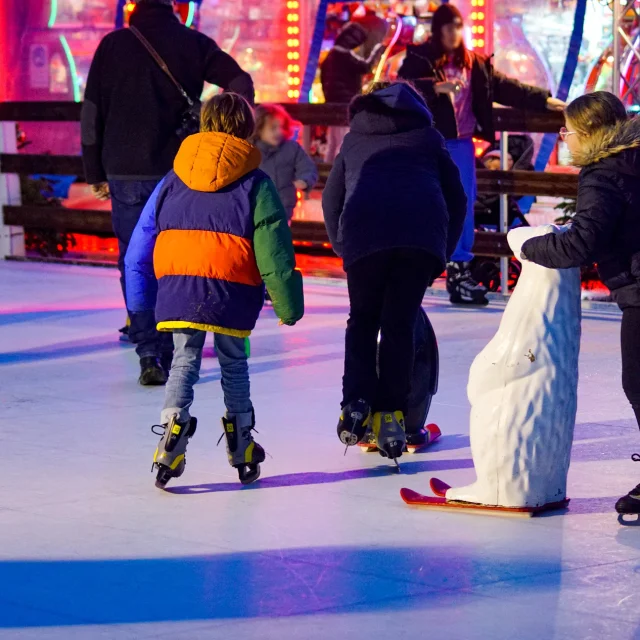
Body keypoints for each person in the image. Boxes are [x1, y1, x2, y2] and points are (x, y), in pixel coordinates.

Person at [124, 93, 304, 488]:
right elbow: (273, 250)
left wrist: (139, 304)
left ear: (205, 123)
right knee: (233, 362)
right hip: (231, 289)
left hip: (179, 286)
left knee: (184, 361)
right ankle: (241, 445)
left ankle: (171, 436)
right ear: (246, 128)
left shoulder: (173, 177)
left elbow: (139, 245)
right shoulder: (258, 182)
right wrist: (288, 305)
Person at [81, 0, 254, 386]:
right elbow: (241, 82)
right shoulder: (193, 43)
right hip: (182, 167)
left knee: (136, 258)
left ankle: (148, 351)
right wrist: (217, 127)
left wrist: (95, 169)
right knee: (183, 253)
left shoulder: (112, 46)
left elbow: (92, 113)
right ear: (174, 5)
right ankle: (181, 338)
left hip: (125, 170)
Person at [322, 81, 467, 464]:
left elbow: (331, 195)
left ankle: (355, 404)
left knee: (364, 320)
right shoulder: (429, 137)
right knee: (399, 324)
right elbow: (457, 195)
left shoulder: (354, 139)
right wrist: (443, 247)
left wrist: (342, 244)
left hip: (364, 234)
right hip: (419, 236)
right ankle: (390, 415)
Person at [515, 91, 640, 518]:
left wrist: (530, 247)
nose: (563, 138)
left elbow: (583, 243)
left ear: (588, 133)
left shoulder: (603, 173)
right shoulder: (632, 160)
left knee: (638, 384)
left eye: (567, 130)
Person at [398, 3, 565, 305]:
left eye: (458, 27)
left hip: (461, 145)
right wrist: (434, 88)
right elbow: (400, 89)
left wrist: (546, 101)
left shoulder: (473, 63)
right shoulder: (420, 58)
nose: (454, 33)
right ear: (438, 30)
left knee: (462, 206)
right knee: (427, 205)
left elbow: (507, 89)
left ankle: (460, 272)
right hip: (427, 142)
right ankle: (416, 268)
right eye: (449, 27)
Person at [320, 22, 384, 162]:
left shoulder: (330, 57)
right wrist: (377, 51)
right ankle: (340, 175)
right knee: (343, 141)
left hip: (331, 104)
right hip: (345, 105)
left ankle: (328, 173)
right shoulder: (345, 57)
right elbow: (366, 67)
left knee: (333, 141)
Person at [252, 104, 318, 223]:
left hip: (283, 209)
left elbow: (306, 166)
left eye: (282, 127)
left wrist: (305, 180)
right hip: (255, 207)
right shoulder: (251, 150)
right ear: (259, 128)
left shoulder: (291, 148)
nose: (279, 131)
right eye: (273, 128)